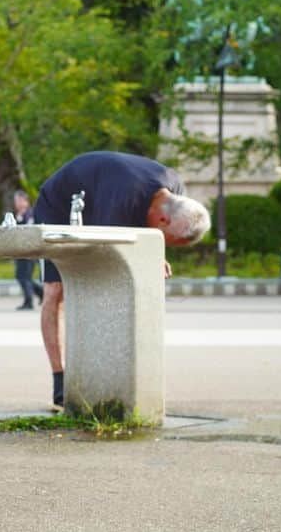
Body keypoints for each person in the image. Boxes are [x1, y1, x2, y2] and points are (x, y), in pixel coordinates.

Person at [31, 151, 211, 408]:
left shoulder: (175, 191)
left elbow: (149, 239)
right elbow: (104, 253)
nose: (165, 245)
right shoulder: (120, 201)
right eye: (167, 240)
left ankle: (110, 372)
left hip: (103, 194)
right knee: (55, 291)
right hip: (60, 202)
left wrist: (155, 257)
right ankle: (60, 378)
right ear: (162, 219)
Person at [11, 189, 43, 311]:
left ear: (25, 201)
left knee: (24, 277)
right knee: (23, 277)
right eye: (16, 201)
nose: (17, 203)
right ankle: (41, 294)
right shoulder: (19, 215)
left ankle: (29, 301)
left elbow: (29, 231)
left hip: (28, 251)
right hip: (20, 251)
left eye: (19, 200)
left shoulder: (29, 214)